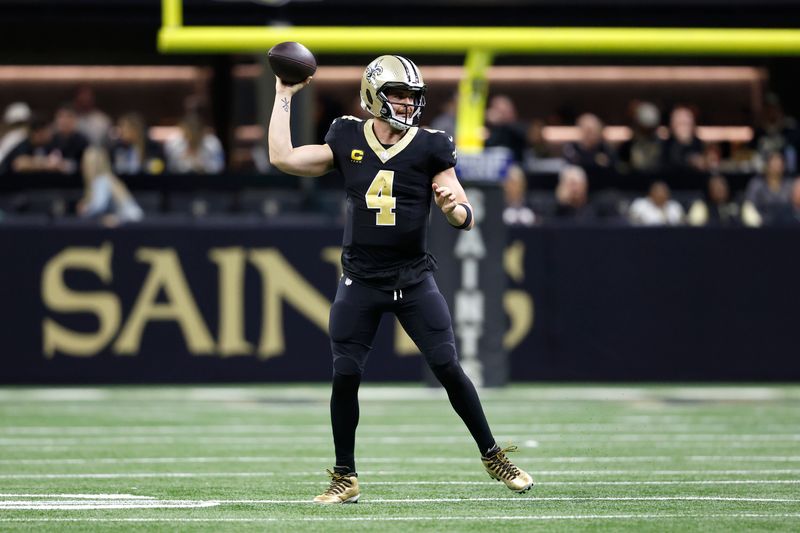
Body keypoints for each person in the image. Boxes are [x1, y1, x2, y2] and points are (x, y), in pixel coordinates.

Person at [268, 55, 533, 504]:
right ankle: (345, 477)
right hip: (361, 279)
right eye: (399, 94)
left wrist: (454, 210)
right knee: (345, 375)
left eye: (413, 95)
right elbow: (283, 157)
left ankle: (492, 455)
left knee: (448, 366)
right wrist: (283, 95)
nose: (408, 103)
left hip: (412, 279)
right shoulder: (346, 134)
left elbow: (465, 215)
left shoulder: (432, 146)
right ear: (374, 95)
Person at [742, 151, 793, 227]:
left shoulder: (790, 184)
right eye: (774, 163)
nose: (777, 166)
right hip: (761, 226)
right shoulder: (756, 184)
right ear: (767, 165)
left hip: (787, 226)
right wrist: (757, 222)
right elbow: (749, 205)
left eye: (779, 163)